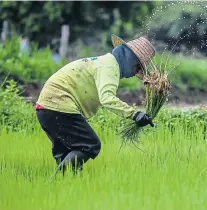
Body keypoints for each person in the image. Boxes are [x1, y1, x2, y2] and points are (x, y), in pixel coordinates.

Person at [36, 34, 156, 175]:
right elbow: (107, 98)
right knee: (90, 144)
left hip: (46, 109)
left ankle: (63, 188)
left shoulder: (103, 62)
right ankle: (54, 181)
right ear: (130, 59)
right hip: (59, 106)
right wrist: (135, 114)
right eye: (137, 67)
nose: (135, 73)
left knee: (67, 155)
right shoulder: (109, 67)